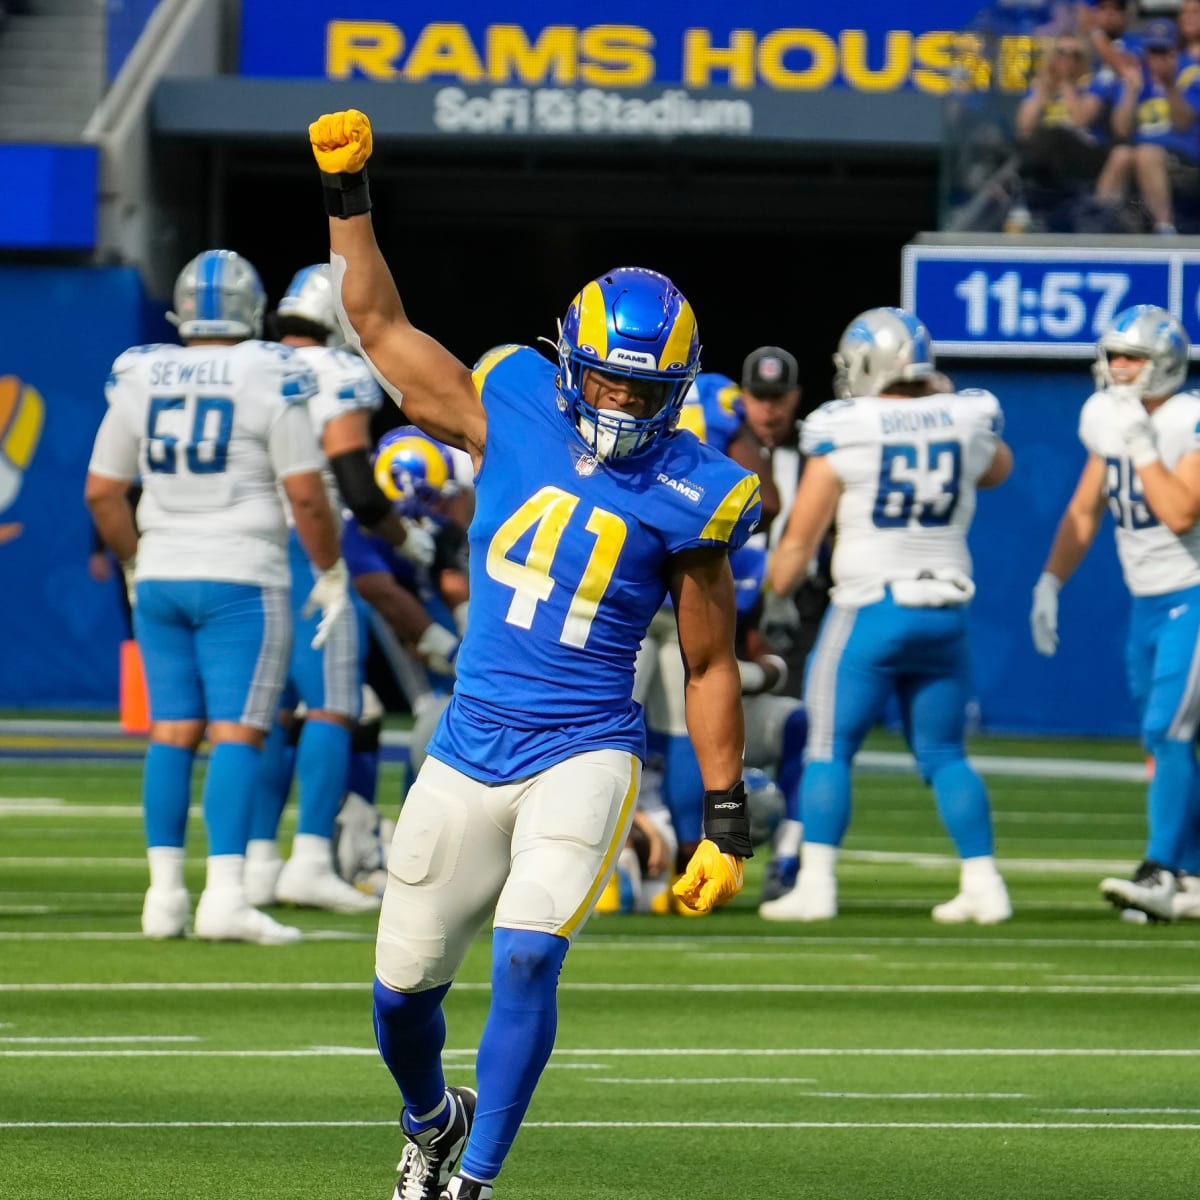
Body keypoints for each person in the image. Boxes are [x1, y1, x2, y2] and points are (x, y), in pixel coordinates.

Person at [309, 108, 762, 1200]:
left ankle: (479, 1180)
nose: (616, 404)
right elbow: (377, 326)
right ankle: (432, 1117)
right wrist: (348, 197)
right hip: (469, 747)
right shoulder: (508, 399)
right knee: (401, 995)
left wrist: (726, 814)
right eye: (604, 380)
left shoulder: (698, 490)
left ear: (678, 390)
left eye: (642, 391)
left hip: (585, 750)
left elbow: (706, 664)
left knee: (528, 952)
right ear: (572, 365)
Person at [83, 248, 349, 944]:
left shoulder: (143, 373)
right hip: (242, 571)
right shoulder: (269, 371)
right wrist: (330, 571)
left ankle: (164, 895)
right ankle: (226, 894)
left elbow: (102, 492)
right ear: (249, 309)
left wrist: (138, 562)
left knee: (171, 731)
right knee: (238, 730)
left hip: (163, 570)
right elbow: (305, 493)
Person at [759, 306, 1014, 925]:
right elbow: (999, 470)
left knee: (827, 747)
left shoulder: (847, 429)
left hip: (872, 607)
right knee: (946, 753)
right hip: (946, 609)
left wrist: (773, 589)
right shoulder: (966, 418)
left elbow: (798, 539)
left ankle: (815, 883)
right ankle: (985, 883)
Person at [244, 262, 430, 915]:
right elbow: (351, 475)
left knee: (272, 713)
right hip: (306, 547)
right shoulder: (337, 371)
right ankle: (314, 858)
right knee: (333, 706)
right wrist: (399, 535)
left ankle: (258, 862)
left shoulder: (249, 362)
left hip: (248, 550)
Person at [1030, 304, 1200, 922]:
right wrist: (1051, 580)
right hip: (1149, 601)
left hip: (1194, 593)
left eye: (1134, 358)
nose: (1120, 368)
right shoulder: (1107, 415)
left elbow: (1181, 511)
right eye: (1116, 356)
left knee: (1169, 732)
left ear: (1166, 363)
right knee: (1165, 739)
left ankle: (1160, 871)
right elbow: (1085, 507)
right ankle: (1192, 876)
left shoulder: (1189, 417)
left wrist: (1139, 444)